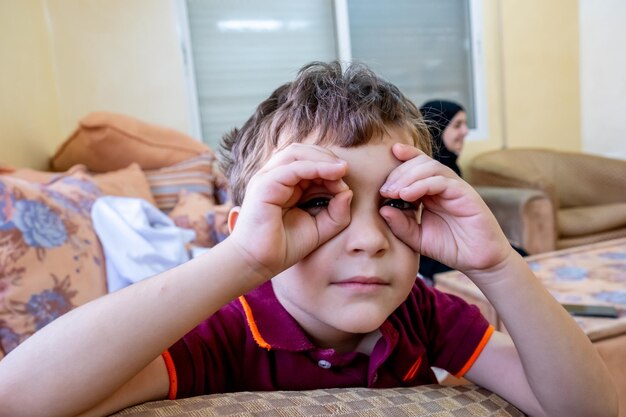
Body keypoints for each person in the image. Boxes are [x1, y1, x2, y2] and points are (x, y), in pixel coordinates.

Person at [0, 62, 617, 417]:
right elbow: (18, 400)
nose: (369, 239)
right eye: (316, 204)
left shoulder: (422, 311)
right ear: (248, 228)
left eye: (397, 204)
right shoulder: (221, 327)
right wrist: (239, 260)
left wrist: (501, 265)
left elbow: (588, 412)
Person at [417, 100, 528, 282]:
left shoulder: (450, 166)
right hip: (434, 257)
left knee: (519, 255)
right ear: (437, 129)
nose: (465, 131)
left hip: (459, 244)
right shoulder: (425, 171)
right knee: (515, 260)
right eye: (457, 125)